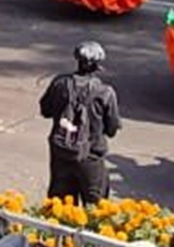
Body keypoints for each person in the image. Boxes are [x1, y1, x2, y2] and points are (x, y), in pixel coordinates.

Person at [38, 41, 121, 205]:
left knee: (60, 206)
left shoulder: (59, 83)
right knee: (95, 207)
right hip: (90, 156)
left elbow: (45, 111)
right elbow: (111, 129)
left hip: (61, 154)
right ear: (98, 64)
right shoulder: (105, 92)